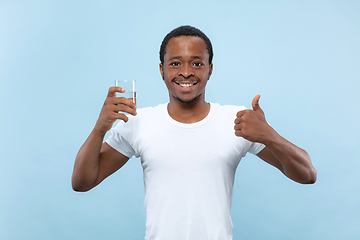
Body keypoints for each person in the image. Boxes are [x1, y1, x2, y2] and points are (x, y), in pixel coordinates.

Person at [72, 25, 317, 240]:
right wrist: (99, 129)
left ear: (210, 69)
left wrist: (269, 135)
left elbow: (307, 174)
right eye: (175, 63)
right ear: (162, 70)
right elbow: (82, 183)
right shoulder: (139, 122)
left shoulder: (236, 121)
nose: (186, 72)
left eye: (197, 63)